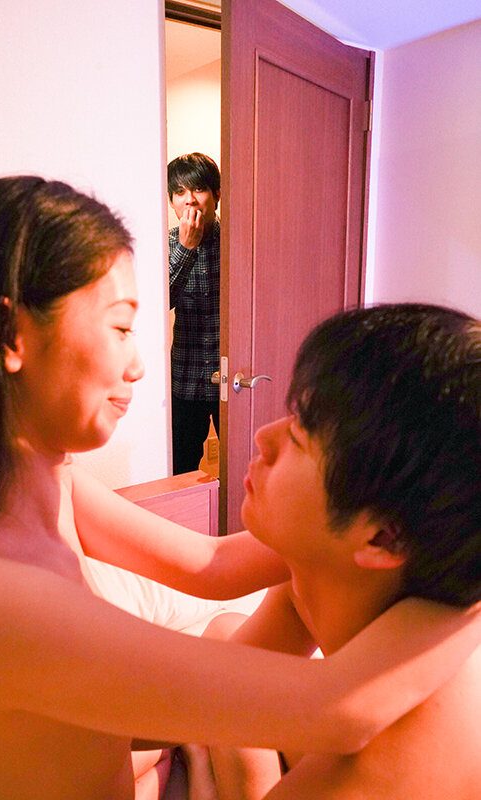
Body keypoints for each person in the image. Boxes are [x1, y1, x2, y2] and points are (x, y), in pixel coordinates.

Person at [0, 178, 480, 800]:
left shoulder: (53, 481)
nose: (138, 366)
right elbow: (335, 708)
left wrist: (446, 528)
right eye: (121, 328)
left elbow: (211, 565)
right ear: (11, 335)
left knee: (222, 634)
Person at [210, 303, 481, 799]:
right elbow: (213, 689)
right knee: (222, 629)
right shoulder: (321, 572)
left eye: (298, 437)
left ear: (382, 538)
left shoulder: (390, 765)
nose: (263, 438)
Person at [167, 152, 220, 474]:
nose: (190, 200)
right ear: (171, 201)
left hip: (233, 379)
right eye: (180, 192)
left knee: (247, 464)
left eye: (199, 189)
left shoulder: (239, 243)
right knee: (181, 468)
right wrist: (186, 248)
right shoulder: (165, 246)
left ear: (217, 195)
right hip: (185, 379)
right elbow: (161, 304)